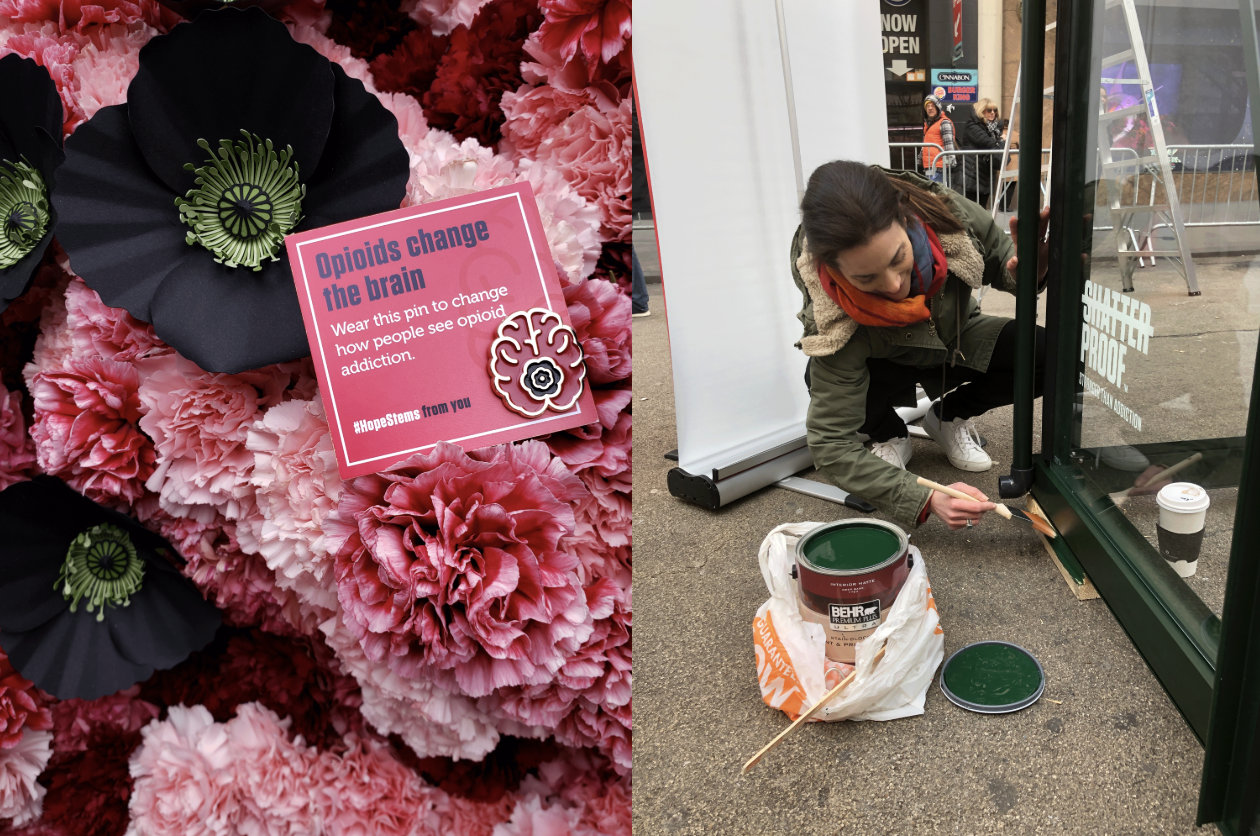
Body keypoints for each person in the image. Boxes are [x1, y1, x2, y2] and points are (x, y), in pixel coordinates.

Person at [790, 161, 1049, 530]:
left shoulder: (948, 216)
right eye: (866, 278)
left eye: (899, 258)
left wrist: (1031, 272)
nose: (895, 286)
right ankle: (889, 434)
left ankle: (945, 417)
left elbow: (1006, 262)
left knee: (1050, 356)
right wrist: (923, 496)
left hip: (953, 339)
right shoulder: (832, 311)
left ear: (905, 214)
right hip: (883, 362)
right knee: (819, 377)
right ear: (831, 269)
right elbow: (830, 443)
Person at [958, 98, 1004, 209]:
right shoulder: (973, 126)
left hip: (984, 176)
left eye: (995, 110)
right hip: (971, 175)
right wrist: (1001, 141)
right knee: (971, 213)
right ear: (981, 111)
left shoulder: (994, 129)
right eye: (989, 110)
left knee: (981, 212)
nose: (993, 113)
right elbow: (988, 143)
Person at [921, 95, 956, 185]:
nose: (930, 108)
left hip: (938, 167)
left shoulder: (944, 122)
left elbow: (949, 144)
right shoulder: (928, 124)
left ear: (938, 107)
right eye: (928, 106)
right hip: (929, 166)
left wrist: (951, 161)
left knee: (936, 195)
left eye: (933, 105)